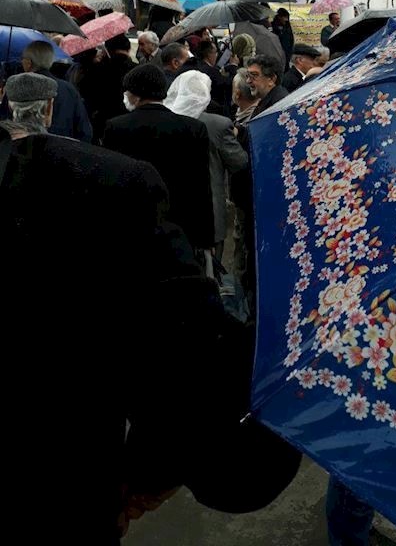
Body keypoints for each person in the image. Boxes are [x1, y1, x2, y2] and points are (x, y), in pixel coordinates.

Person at [0, 73, 227, 544]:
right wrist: (151, 472)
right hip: (72, 468)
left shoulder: (116, 170)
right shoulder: (115, 181)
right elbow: (186, 349)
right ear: (48, 108)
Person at [102, 64, 214, 253]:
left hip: (133, 222)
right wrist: (205, 238)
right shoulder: (193, 128)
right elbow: (201, 185)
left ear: (136, 94)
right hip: (180, 224)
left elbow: (112, 180)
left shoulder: (116, 127)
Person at [165, 71, 248, 260]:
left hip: (171, 204)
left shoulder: (165, 120)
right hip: (209, 206)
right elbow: (239, 162)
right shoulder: (218, 124)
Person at [21, 40, 92, 142]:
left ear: (28, 63)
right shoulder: (69, 89)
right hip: (64, 150)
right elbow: (84, 131)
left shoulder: (18, 86)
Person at [245, 53, 288, 119]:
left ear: (271, 79)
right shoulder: (267, 100)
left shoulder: (278, 107)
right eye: (247, 76)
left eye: (254, 75)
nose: (248, 81)